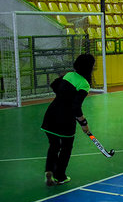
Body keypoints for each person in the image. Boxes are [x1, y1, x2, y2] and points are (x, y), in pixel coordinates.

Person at [41, 54, 95, 186]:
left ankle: (49, 171)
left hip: (50, 115)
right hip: (65, 120)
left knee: (54, 145)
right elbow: (76, 107)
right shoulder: (84, 84)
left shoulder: (69, 75)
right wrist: (84, 123)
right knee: (66, 147)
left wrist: (63, 96)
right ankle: (60, 176)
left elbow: (54, 85)